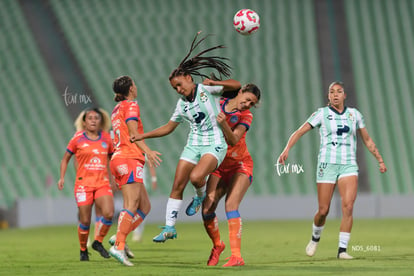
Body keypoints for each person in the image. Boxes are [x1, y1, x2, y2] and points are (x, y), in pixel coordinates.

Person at [130, 32, 241, 243]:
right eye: (175, 88)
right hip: (193, 144)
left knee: (196, 178)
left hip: (215, 143)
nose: (178, 90)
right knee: (177, 184)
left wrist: (217, 83)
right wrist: (142, 136)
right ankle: (169, 227)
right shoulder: (182, 104)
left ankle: (199, 196)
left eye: (180, 85)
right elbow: (169, 127)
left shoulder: (207, 90)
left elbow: (237, 86)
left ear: (189, 78)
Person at [278, 81, 387, 259]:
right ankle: (315, 238)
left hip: (348, 165)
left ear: (345, 95)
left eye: (339, 91)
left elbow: (367, 140)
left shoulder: (354, 114)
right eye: (332, 92)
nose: (335, 94)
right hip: (327, 165)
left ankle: (342, 250)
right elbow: (299, 131)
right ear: (328, 96)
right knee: (323, 210)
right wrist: (286, 149)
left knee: (348, 206)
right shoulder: (321, 114)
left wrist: (380, 160)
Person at [202, 83, 261, 267]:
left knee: (230, 204)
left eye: (252, 103)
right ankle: (218, 245)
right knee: (207, 208)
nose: (248, 104)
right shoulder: (219, 104)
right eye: (248, 99)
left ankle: (237, 256)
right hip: (219, 165)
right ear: (241, 91)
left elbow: (234, 138)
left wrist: (224, 123)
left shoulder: (246, 116)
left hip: (240, 164)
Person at [108, 75, 162, 266]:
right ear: (131, 88)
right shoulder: (131, 105)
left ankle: (118, 237)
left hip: (121, 158)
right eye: (135, 84)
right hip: (128, 157)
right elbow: (133, 134)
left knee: (144, 207)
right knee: (131, 204)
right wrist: (148, 152)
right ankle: (119, 246)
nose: (136, 87)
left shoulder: (116, 109)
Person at [58, 107, 115, 261]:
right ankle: (83, 249)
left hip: (102, 183)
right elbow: (65, 159)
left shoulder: (106, 138)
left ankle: (98, 242)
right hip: (84, 185)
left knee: (109, 213)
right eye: (90, 118)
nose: (93, 121)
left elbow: (113, 159)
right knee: (85, 220)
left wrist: (116, 177)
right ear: (84, 122)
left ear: (100, 121)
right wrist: (62, 177)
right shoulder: (77, 138)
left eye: (96, 118)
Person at [131, 158, 158, 242]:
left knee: (143, 209)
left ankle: (139, 233)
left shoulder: (143, 151)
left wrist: (154, 179)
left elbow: (150, 164)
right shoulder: (129, 150)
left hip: (143, 184)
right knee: (133, 208)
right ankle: (134, 231)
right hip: (131, 184)